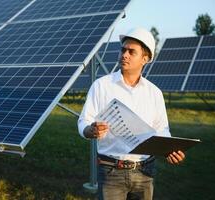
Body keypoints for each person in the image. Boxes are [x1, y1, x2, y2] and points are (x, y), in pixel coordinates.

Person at [77, 27, 185, 200]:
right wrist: (90, 130)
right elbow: (83, 121)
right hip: (111, 170)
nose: (124, 55)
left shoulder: (154, 93)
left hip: (145, 171)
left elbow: (162, 129)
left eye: (131, 52)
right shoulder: (101, 86)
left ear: (145, 58)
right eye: (123, 50)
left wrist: (169, 149)